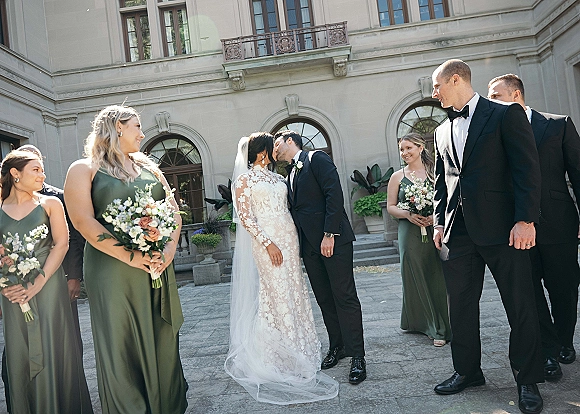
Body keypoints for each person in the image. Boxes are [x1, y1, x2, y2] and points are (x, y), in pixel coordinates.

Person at [431, 59, 544, 414]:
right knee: (460, 307)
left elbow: (527, 169)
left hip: (503, 230)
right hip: (458, 232)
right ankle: (467, 371)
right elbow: (441, 182)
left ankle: (527, 379)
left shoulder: (504, 114)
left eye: (437, 86)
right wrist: (438, 223)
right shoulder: (439, 131)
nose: (434, 93)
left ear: (455, 79)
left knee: (520, 303)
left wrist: (525, 219)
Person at [64, 105, 187, 413]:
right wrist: (129, 256)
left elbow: (172, 211)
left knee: (161, 333)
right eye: (137, 126)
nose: (142, 133)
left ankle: (166, 404)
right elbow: (82, 221)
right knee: (121, 339)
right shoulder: (84, 169)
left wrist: (169, 251)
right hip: (112, 269)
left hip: (157, 264)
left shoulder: (149, 166)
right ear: (118, 127)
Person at [224, 133, 339, 405]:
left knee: (295, 292)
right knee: (274, 293)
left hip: (290, 241)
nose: (276, 150)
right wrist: (268, 243)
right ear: (261, 152)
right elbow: (246, 218)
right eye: (271, 146)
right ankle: (279, 355)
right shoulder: (244, 180)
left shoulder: (279, 178)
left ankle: (302, 347)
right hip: (268, 244)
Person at [487, 73, 580, 379]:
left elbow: (578, 173)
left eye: (496, 95)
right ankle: (549, 350)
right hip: (515, 228)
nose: (491, 101)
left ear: (516, 95)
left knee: (565, 289)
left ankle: (565, 340)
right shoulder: (494, 132)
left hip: (559, 224)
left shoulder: (558, 124)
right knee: (529, 292)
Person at [0, 150, 92, 413]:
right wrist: (5, 285)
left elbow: (62, 245)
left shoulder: (51, 204)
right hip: (12, 294)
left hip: (49, 287)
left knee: (56, 347)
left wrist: (38, 283)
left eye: (42, 170)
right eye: (36, 170)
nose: (43, 175)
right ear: (15, 175)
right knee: (19, 352)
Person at [274, 130, 367, 385]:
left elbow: (333, 195)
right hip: (309, 248)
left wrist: (329, 233)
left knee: (345, 296)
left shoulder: (316, 159)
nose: (275, 148)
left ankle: (358, 356)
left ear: (290, 141)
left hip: (333, 240)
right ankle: (338, 346)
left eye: (277, 143)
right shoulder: (290, 173)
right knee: (325, 299)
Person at [386, 133, 451, 347]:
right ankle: (431, 326)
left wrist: (435, 217)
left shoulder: (435, 173)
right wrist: (408, 215)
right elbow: (391, 207)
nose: (404, 153)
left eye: (408, 148)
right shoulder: (397, 176)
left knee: (435, 274)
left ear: (421, 147)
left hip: (435, 229)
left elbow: (447, 198)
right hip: (409, 232)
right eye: (402, 150)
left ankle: (440, 321)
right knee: (413, 274)